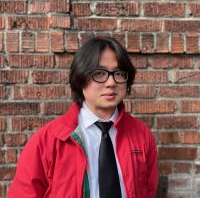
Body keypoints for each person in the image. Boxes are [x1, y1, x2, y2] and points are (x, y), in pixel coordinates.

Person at [8, 37, 159, 198]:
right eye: (99, 73)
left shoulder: (141, 136)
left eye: (119, 73)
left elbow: (149, 191)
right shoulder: (47, 141)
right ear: (81, 78)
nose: (111, 82)